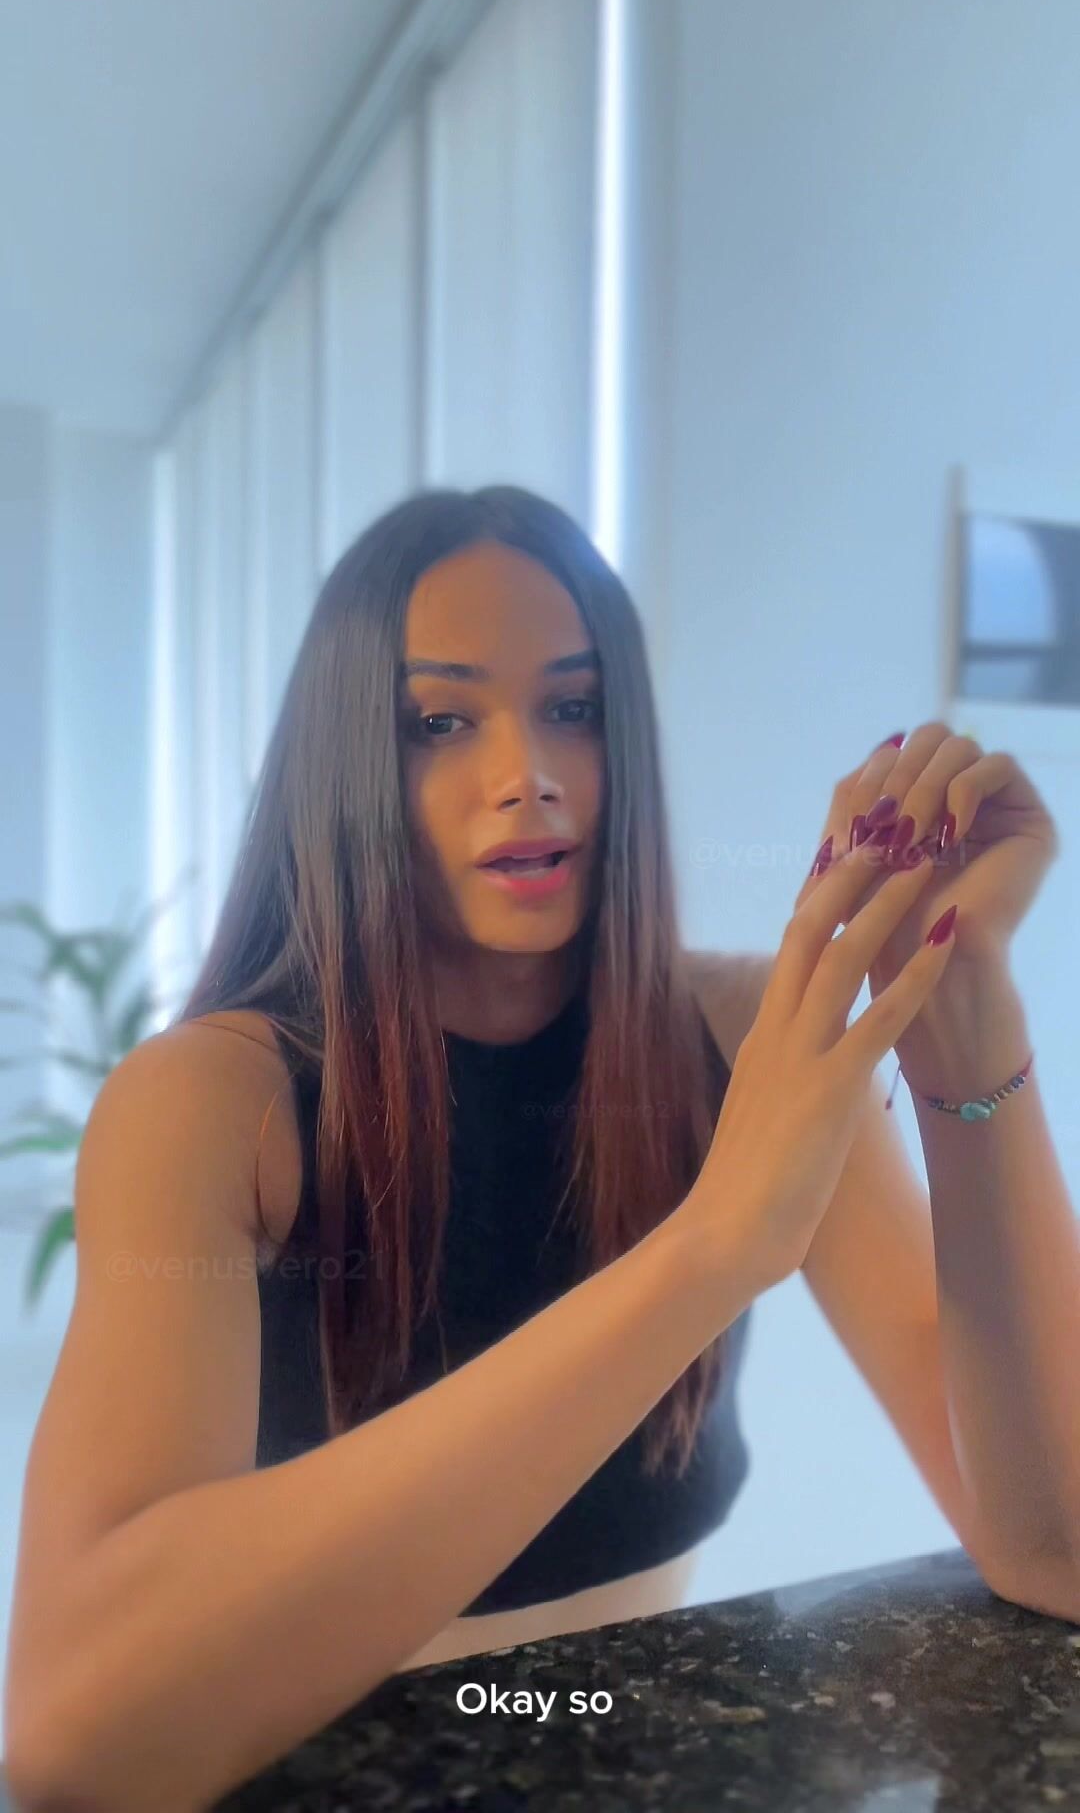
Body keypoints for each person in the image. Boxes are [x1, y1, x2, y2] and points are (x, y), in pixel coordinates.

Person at [3, 487, 957, 1812]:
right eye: (441, 722)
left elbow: (1031, 1505)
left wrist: (981, 1046)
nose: (527, 774)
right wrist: (708, 1251)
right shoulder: (211, 1102)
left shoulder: (752, 1036)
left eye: (574, 707)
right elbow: (70, 1732)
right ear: (350, 761)